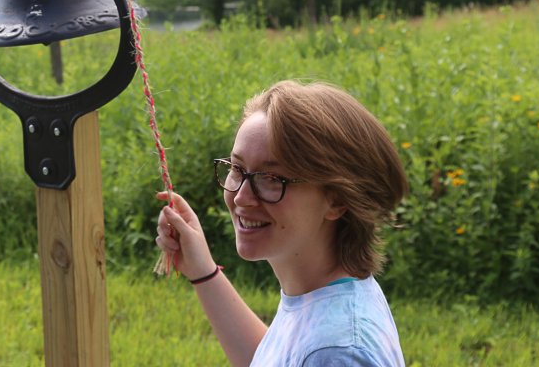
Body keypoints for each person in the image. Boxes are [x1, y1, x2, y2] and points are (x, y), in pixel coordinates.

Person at [156, 80, 408, 366]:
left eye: (272, 179)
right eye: (237, 169)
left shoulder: (337, 352)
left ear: (337, 200)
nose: (242, 197)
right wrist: (202, 270)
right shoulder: (323, 296)